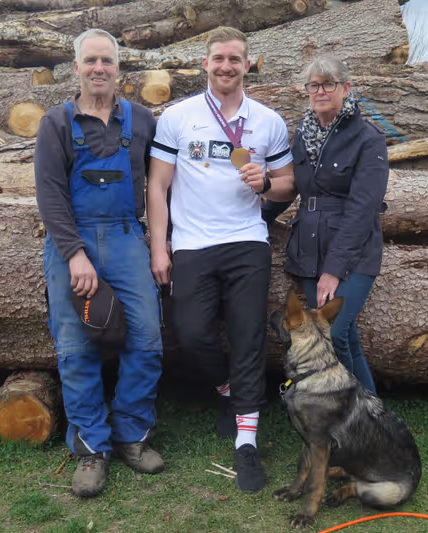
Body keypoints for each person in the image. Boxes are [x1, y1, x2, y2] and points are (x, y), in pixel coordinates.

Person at [146, 27, 294, 494]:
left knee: (249, 335)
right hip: (192, 243)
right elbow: (157, 185)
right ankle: (228, 391)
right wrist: (159, 246)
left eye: (235, 59)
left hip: (247, 240)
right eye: (218, 58)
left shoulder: (268, 121)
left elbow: (288, 182)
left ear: (247, 65)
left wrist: (265, 184)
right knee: (189, 332)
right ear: (204, 63)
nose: (226, 66)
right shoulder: (178, 116)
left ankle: (246, 443)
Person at [34, 28, 164, 499]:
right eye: (90, 60)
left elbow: (160, 185)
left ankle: (132, 433)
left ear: (118, 67)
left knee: (146, 337)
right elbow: (50, 195)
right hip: (72, 239)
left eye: (106, 60)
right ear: (76, 67)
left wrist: (160, 245)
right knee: (75, 348)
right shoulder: (55, 123)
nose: (99, 68)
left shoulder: (142, 120)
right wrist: (75, 255)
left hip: (127, 236)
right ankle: (91, 447)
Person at [265, 56, 389, 395]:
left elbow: (363, 208)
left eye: (328, 84)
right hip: (308, 247)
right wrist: (256, 220)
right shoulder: (302, 135)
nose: (320, 91)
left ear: (346, 88)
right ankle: (368, 412)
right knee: (345, 337)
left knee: (333, 332)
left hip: (353, 251)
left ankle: (361, 412)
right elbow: (293, 188)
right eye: (314, 85)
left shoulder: (368, 138)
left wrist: (334, 270)